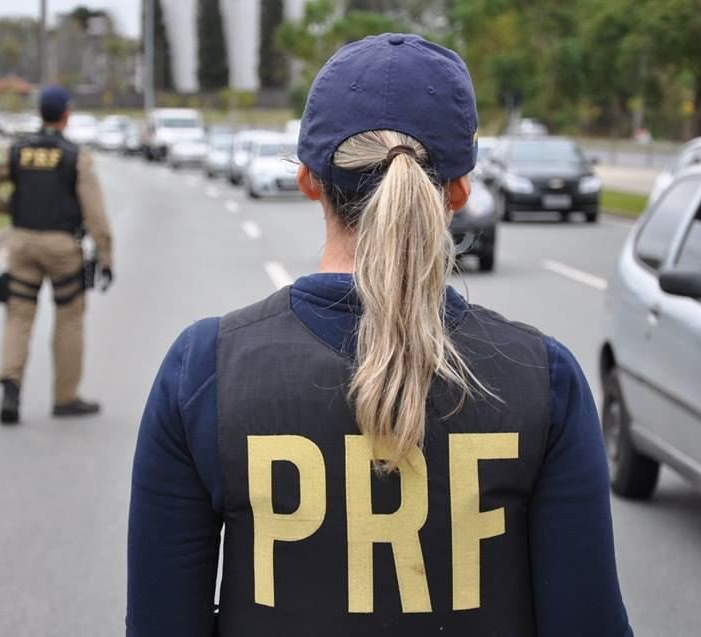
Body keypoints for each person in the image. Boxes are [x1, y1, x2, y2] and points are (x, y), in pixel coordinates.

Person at [127, 34, 632, 636]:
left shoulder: (204, 370)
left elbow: (159, 623)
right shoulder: (544, 380)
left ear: (308, 180)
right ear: (460, 190)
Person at [0, 86, 113, 425]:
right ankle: (65, 397)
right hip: (62, 247)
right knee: (69, 318)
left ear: (40, 113)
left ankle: (11, 387)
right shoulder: (76, 158)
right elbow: (95, 216)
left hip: (22, 243)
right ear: (66, 115)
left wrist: (11, 209)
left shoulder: (14, 150)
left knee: (18, 316)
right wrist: (106, 256)